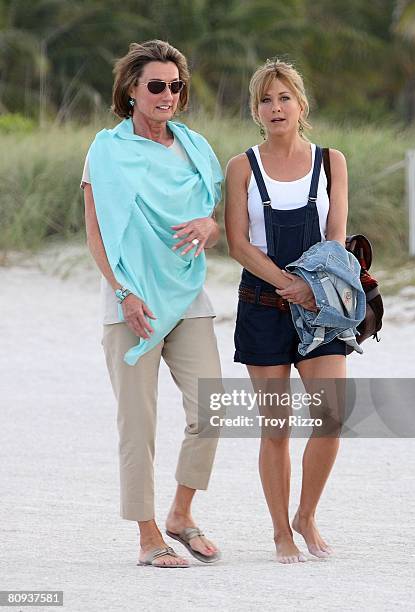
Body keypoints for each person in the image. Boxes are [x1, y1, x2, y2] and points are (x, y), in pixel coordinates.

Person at [81, 40, 222, 568]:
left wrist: (211, 226)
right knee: (137, 425)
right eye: (156, 85)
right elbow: (96, 233)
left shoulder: (194, 147)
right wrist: (123, 293)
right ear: (132, 91)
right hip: (130, 301)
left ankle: (181, 514)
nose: (168, 95)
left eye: (175, 86)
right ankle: (147, 537)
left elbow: (214, 216)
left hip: (188, 295)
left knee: (211, 407)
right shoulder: (106, 149)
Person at [225, 59, 349, 564]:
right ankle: (281, 531)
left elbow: (337, 234)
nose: (276, 108)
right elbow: (237, 243)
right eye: (265, 100)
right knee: (275, 427)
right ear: (256, 110)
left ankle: (307, 515)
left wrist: (312, 288)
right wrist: (287, 286)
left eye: (284, 98)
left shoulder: (332, 161)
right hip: (262, 307)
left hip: (322, 308)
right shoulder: (241, 167)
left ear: (301, 104)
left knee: (331, 418)